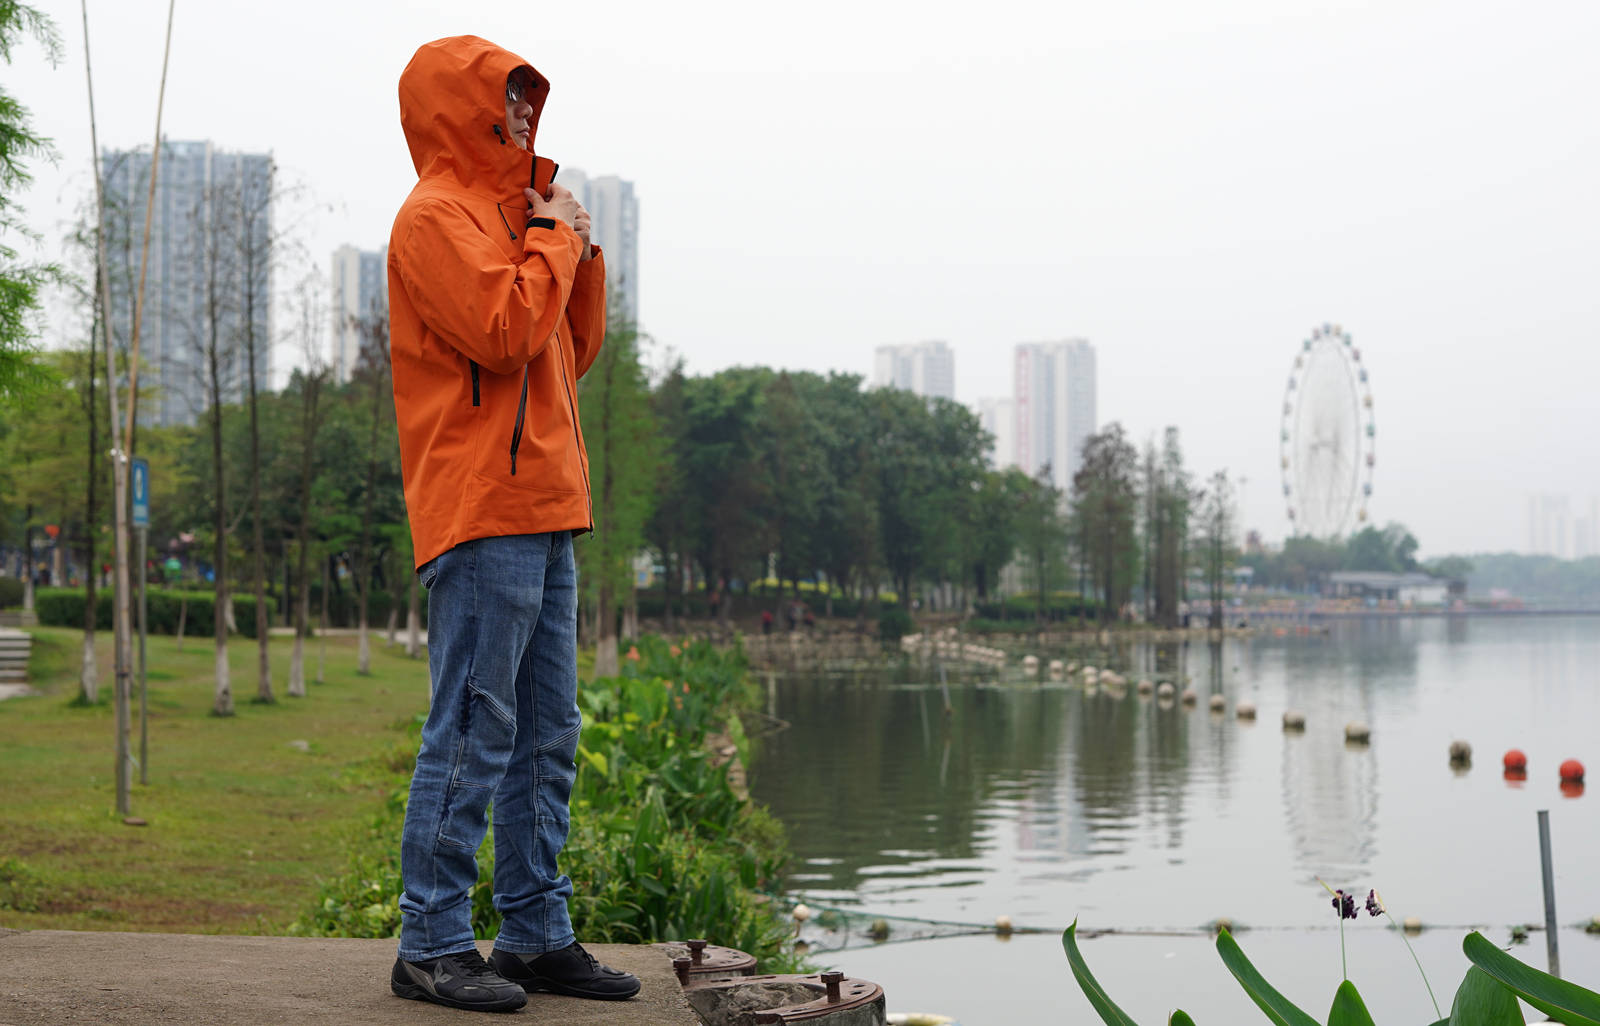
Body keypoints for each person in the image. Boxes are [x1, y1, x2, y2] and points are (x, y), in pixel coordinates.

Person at [385, 35, 639, 1013]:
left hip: (545, 505)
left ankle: (533, 933)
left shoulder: (510, 219)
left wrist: (574, 244)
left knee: (546, 732)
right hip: (481, 510)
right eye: (508, 100)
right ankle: (433, 941)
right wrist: (554, 239)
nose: (525, 116)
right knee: (476, 727)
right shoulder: (434, 221)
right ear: (463, 112)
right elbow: (502, 330)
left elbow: (563, 353)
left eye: (531, 99)